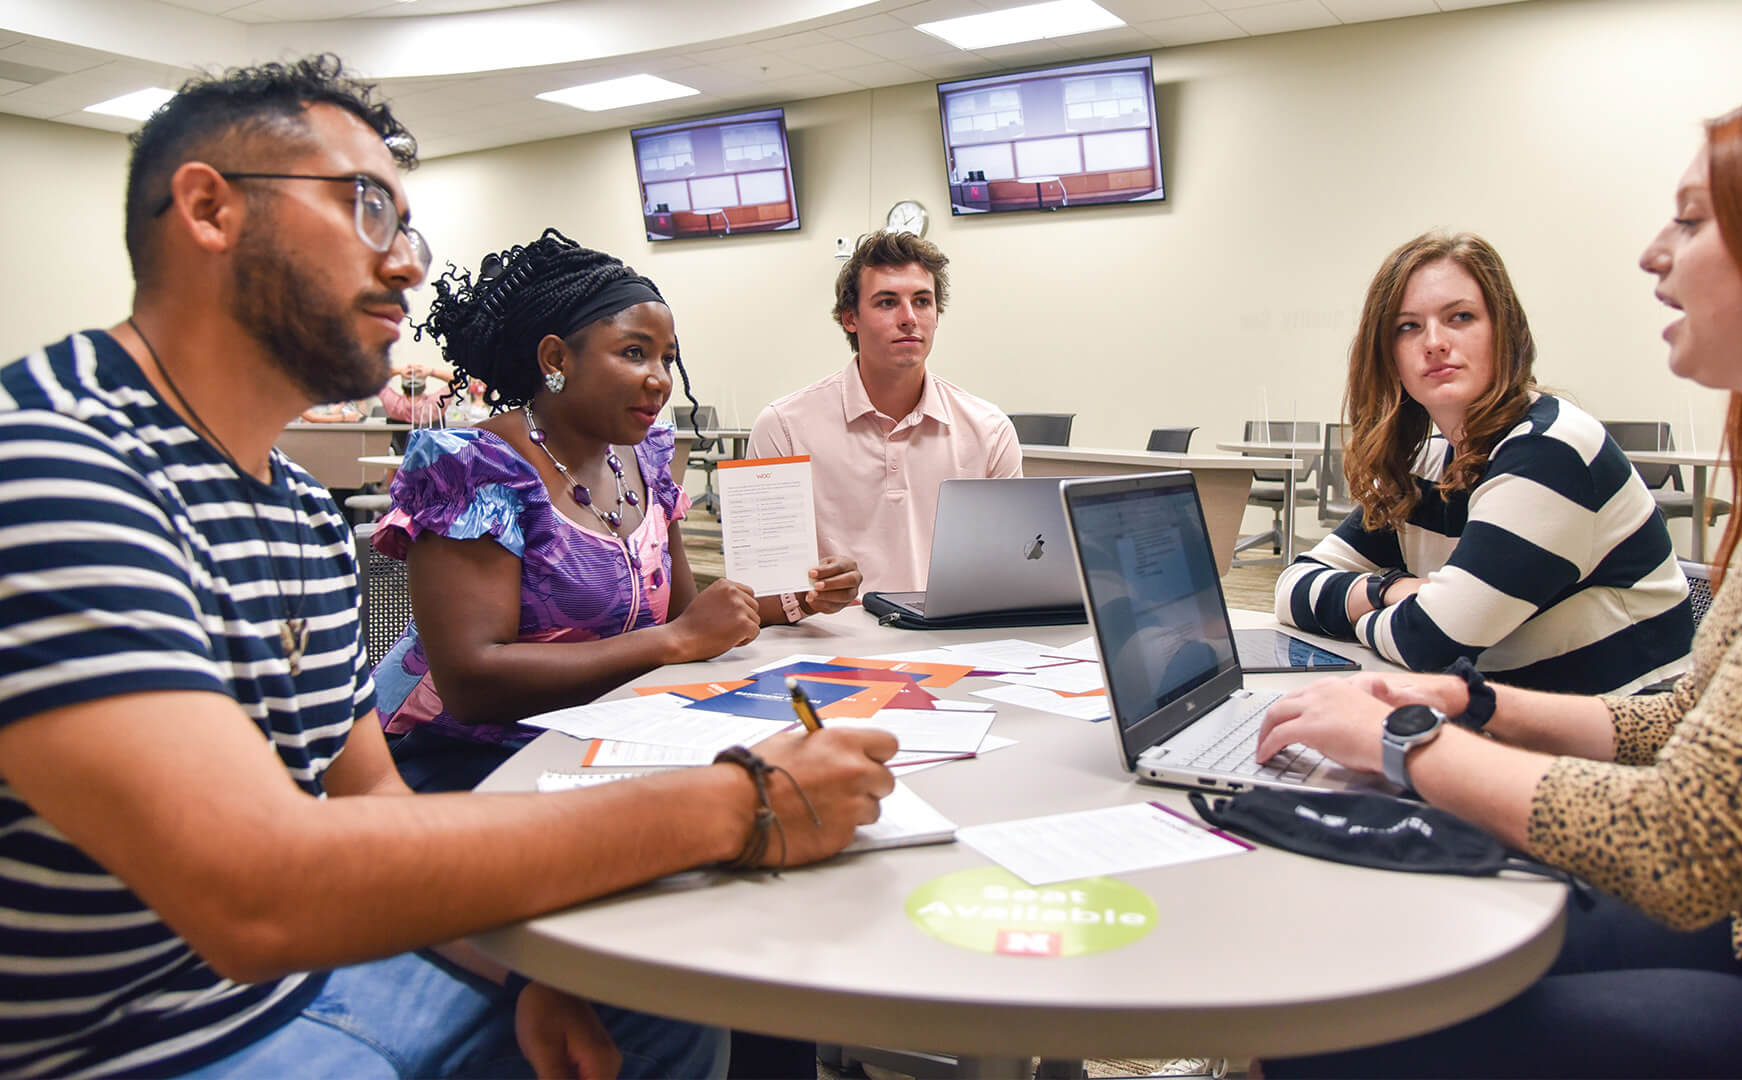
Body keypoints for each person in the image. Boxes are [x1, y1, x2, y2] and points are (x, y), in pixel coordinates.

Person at [0, 55, 896, 1078]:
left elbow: (372, 808)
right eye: (366, 211)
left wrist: (534, 960)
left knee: (656, 1007)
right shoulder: (50, 464)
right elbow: (254, 892)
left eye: (407, 230)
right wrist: (737, 803)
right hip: (147, 1038)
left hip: (309, 975)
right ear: (209, 208)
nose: (407, 266)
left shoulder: (290, 508)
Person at [1256, 86, 1742, 1077]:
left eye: (1691, 222)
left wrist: (1410, 742)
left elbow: (1695, 842)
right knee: (1396, 943)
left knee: (1334, 1028)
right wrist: (1472, 700)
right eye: (1407, 327)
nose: (1656, 252)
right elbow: (1694, 718)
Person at [372, 228, 862, 794]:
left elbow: (680, 615)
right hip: (461, 759)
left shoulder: (645, 459)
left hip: (599, 734)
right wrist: (675, 642)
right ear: (556, 358)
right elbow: (473, 683)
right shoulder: (475, 468)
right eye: (635, 353)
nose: (659, 379)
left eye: (667, 359)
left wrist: (794, 599)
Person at [1275, 231, 1693, 693]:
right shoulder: (1429, 460)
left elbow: (1433, 641)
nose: (1434, 342)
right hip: (1508, 716)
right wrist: (1388, 590)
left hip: (1625, 737)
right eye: (1407, 326)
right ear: (1388, 355)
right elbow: (1291, 588)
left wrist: (1371, 613)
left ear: (1504, 332)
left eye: (1460, 317)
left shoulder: (1550, 451)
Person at [746, 231, 1022, 595]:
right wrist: (814, 599)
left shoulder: (990, 431)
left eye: (922, 301)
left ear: (937, 315)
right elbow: (758, 589)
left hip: (945, 644)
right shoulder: (781, 428)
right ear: (850, 318)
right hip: (827, 642)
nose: (909, 318)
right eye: (887, 302)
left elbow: (1014, 572)